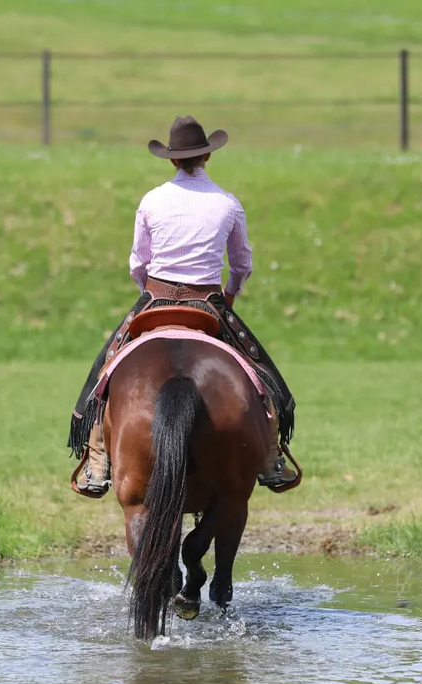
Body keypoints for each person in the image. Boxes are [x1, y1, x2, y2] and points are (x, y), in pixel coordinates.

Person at [69, 115, 298, 498]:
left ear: (172, 160)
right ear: (207, 157)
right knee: (264, 375)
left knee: (104, 371)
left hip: (155, 299)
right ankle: (272, 455)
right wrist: (230, 294)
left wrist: (149, 292)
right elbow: (242, 266)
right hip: (209, 303)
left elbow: (137, 265)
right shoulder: (228, 203)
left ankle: (97, 458)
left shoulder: (151, 200)